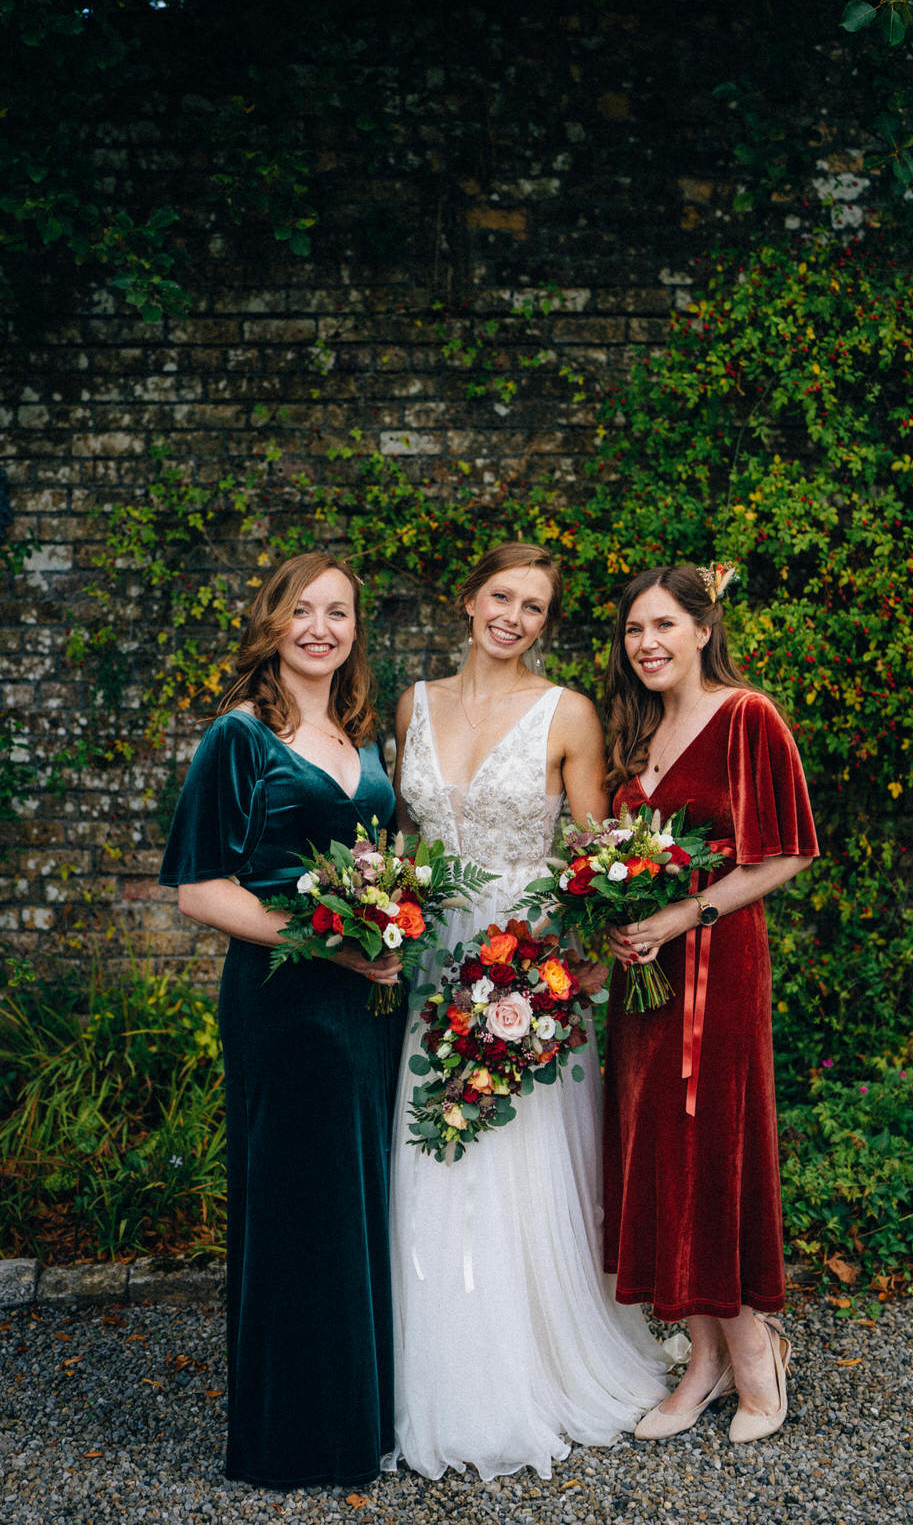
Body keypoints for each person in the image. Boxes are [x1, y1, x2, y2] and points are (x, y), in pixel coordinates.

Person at [387, 541, 670, 1480]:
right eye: (502, 596)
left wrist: (568, 968)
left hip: (526, 966)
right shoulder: (411, 705)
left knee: (515, 1161)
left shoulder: (569, 714)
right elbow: (403, 840)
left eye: (536, 607)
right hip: (431, 964)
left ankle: (532, 1368)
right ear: (466, 600)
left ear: (546, 625)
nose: (514, 616)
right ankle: (435, 1374)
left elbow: (591, 858)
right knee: (434, 1150)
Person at [158, 552, 405, 1489]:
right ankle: (291, 1440)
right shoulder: (241, 737)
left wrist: (385, 927)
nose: (320, 628)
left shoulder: (358, 733)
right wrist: (331, 947)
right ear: (273, 621)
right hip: (284, 1003)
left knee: (354, 1207)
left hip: (365, 1006)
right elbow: (199, 890)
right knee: (296, 1209)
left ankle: (356, 1423)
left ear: (354, 632)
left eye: (337, 613)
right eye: (302, 610)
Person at [602, 563, 818, 1446]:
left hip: (716, 970)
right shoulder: (636, 730)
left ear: (701, 628)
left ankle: (754, 1350)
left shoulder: (746, 718)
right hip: (641, 982)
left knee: (715, 1148)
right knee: (654, 1149)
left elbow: (787, 854)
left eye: (663, 626)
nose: (647, 644)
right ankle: (702, 1356)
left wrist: (681, 916)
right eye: (632, 631)